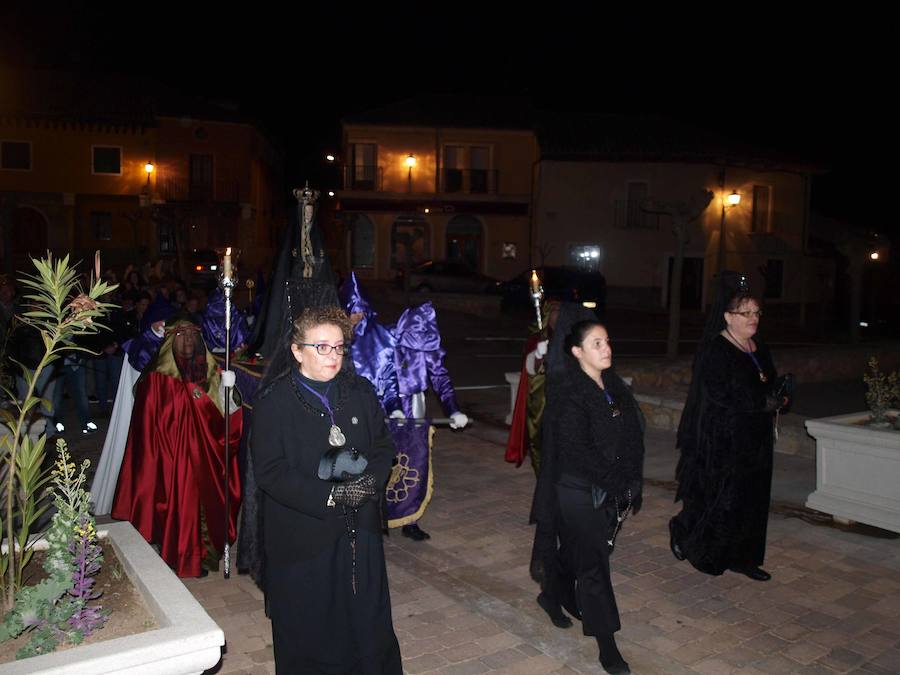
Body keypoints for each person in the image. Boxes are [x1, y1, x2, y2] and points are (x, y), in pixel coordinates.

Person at [251, 306, 402, 673]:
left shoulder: (359, 391)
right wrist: (330, 497)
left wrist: (370, 482)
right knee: (313, 625)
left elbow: (383, 446)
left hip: (359, 530)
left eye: (338, 347)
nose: (333, 356)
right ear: (297, 350)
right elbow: (271, 472)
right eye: (321, 347)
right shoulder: (274, 403)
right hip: (303, 537)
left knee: (366, 620)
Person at [530, 310, 644, 675]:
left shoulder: (612, 387)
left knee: (582, 552)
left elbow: (630, 438)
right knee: (595, 566)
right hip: (577, 491)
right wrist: (618, 483)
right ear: (577, 352)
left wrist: (630, 480)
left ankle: (550, 593)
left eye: (607, 341)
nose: (606, 348)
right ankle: (608, 644)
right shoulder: (569, 395)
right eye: (597, 343)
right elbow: (578, 452)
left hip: (608, 488)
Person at [669, 271, 787, 581]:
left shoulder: (757, 347)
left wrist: (779, 396)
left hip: (756, 438)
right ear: (727, 317)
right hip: (722, 438)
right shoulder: (716, 349)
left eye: (756, 312)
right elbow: (718, 393)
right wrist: (760, 404)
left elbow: (767, 382)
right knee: (722, 499)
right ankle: (695, 543)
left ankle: (745, 558)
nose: (753, 318)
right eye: (745, 313)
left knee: (753, 498)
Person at [111, 314, 242, 577]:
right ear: (170, 340)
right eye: (180, 336)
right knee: (174, 505)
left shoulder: (212, 370)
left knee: (201, 507)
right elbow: (146, 429)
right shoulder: (157, 379)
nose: (187, 342)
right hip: (169, 460)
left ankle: (201, 557)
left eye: (192, 335)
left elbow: (228, 419)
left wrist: (230, 393)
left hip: (204, 458)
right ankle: (176, 553)